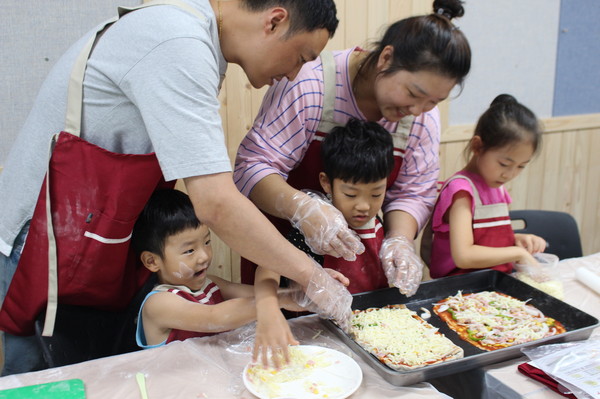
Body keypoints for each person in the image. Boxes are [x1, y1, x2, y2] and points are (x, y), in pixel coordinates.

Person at [0, 0, 349, 375]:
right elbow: (215, 202)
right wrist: (311, 276)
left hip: (93, 236)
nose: (295, 74)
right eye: (300, 56)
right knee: (42, 376)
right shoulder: (178, 41)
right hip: (42, 238)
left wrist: (287, 291)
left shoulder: (197, 39)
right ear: (274, 21)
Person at [235, 0, 471, 358]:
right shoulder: (311, 82)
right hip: (281, 254)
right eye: (413, 94)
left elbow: (414, 192)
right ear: (386, 58)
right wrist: (303, 209)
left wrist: (399, 241)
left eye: (433, 102)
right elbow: (253, 167)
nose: (419, 111)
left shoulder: (422, 118)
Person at [132, 189, 304, 349]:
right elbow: (215, 317)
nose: (204, 256)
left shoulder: (210, 284)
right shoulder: (158, 303)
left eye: (207, 242)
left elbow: (256, 294)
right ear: (152, 261)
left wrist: (298, 296)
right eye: (189, 250)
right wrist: (280, 302)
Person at [428, 94, 546, 278]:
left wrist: (516, 240)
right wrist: (518, 253)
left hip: (492, 282)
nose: (510, 174)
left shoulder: (497, 186)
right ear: (477, 146)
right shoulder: (461, 190)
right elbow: (464, 256)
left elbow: (488, 238)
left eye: (521, 166)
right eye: (504, 164)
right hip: (461, 289)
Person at [286, 118, 395, 294]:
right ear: (327, 183)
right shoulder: (314, 226)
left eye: (376, 194)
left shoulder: (377, 224)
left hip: (375, 315)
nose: (364, 206)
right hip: (323, 316)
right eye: (351, 195)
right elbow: (286, 276)